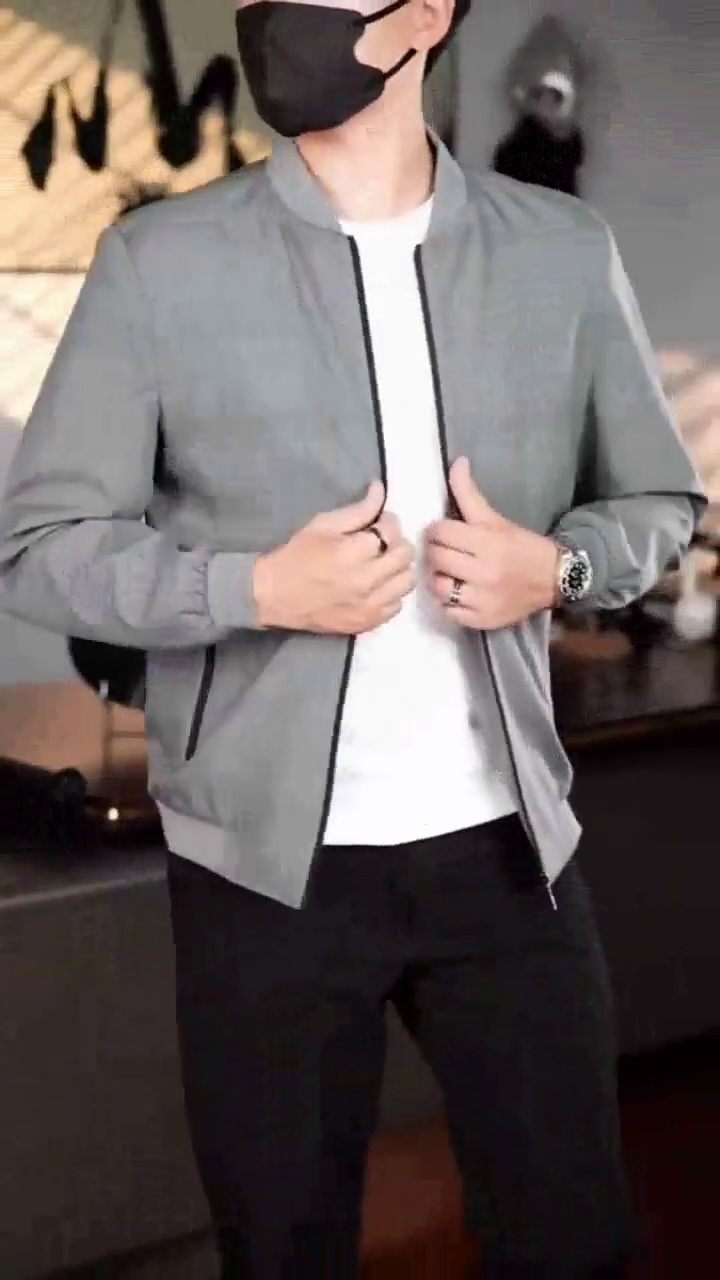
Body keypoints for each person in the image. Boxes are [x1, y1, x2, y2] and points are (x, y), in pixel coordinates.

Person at [0, 2, 705, 1276]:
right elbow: (39, 541)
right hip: (264, 878)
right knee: (283, 1252)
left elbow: (660, 499)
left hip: (511, 860)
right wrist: (255, 586)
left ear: (425, 13)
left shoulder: (561, 250)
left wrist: (559, 566)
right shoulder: (160, 262)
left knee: (578, 1242)